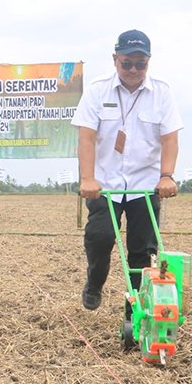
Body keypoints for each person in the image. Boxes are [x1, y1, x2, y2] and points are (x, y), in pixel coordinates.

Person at [72, 29, 182, 310]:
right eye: (127, 63)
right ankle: (94, 282)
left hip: (145, 185)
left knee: (142, 252)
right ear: (115, 59)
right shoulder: (98, 90)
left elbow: (169, 138)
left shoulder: (162, 93)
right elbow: (86, 137)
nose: (134, 70)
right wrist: (87, 178)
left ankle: (137, 310)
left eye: (140, 64)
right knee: (101, 237)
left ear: (148, 62)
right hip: (104, 184)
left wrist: (166, 175)